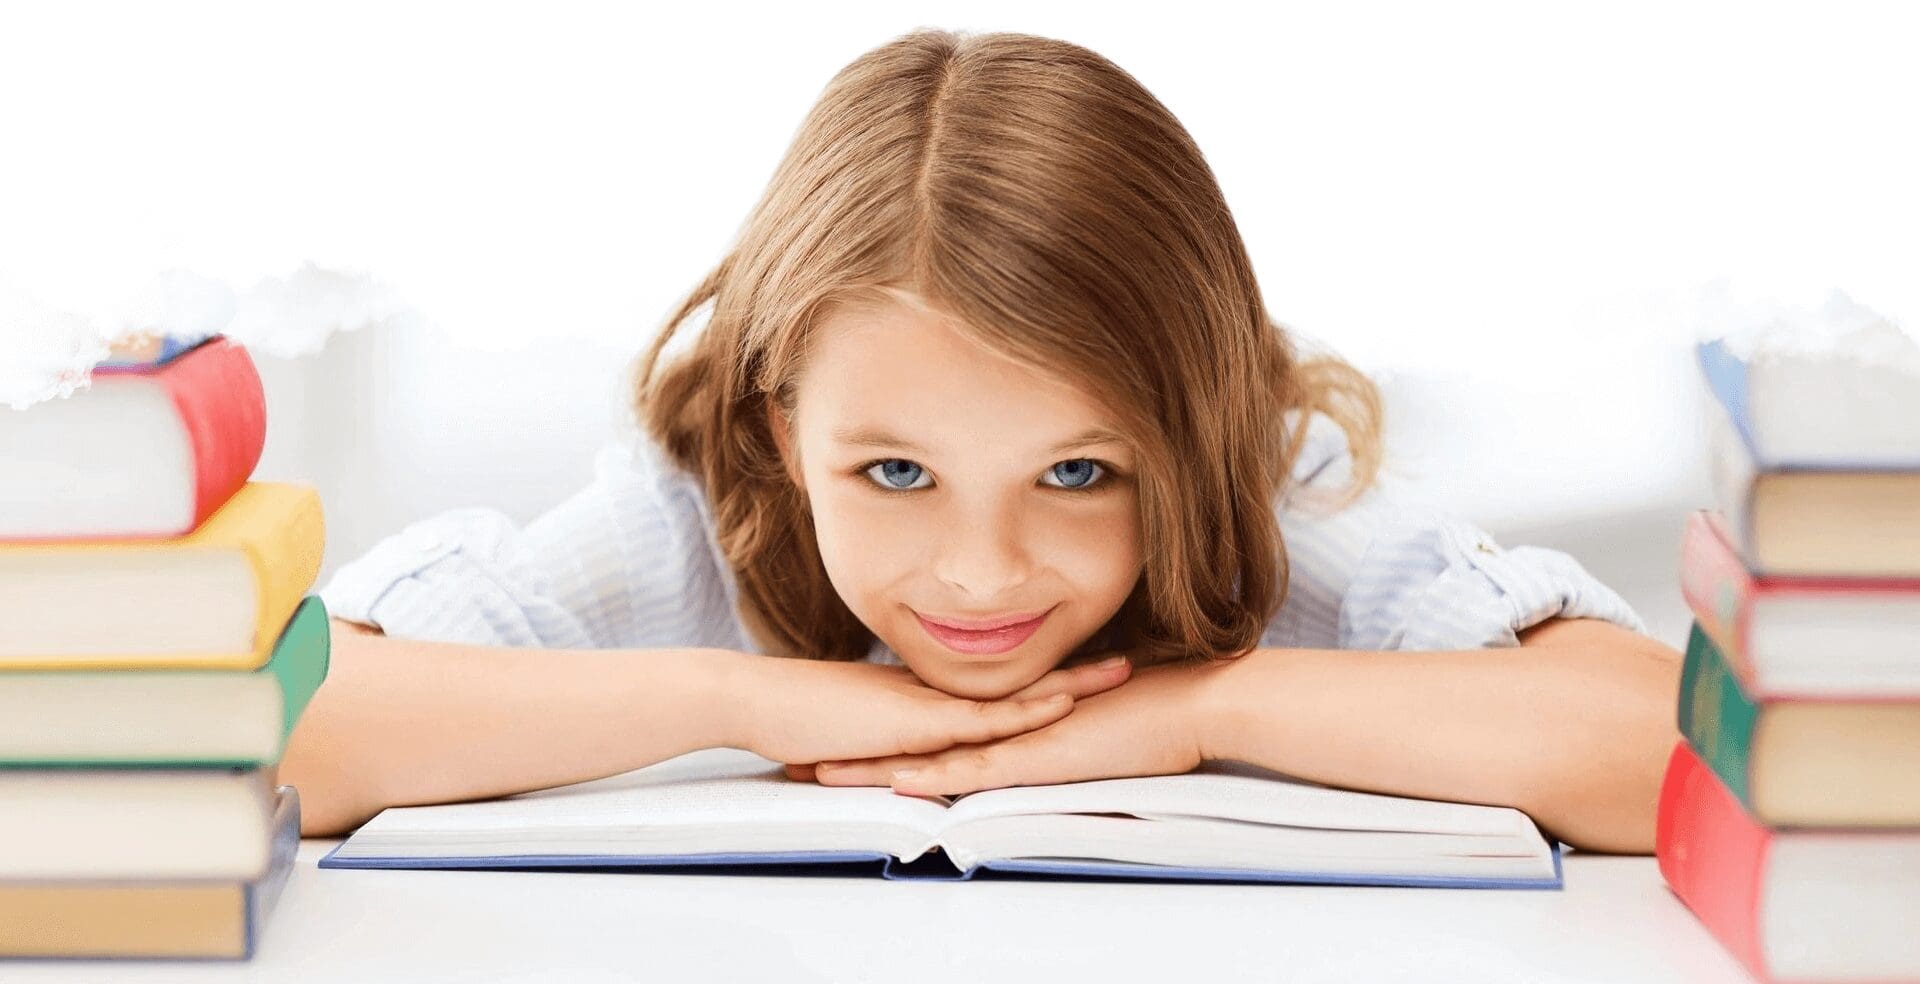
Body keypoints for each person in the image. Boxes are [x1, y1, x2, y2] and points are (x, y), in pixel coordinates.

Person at [282, 28, 1682, 852]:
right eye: (895, 473)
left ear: (1189, 438)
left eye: (1077, 473)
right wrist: (744, 700)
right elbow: (278, 728)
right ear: (782, 431)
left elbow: (1670, 745)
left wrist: (1199, 710)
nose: (981, 572)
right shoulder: (702, 515)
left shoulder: (1267, 511)